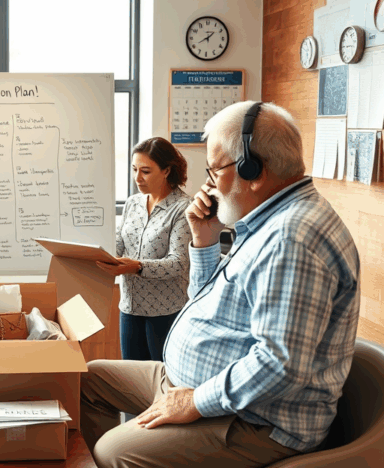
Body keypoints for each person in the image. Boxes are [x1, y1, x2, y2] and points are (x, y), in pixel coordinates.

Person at [80, 101, 360, 468]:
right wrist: (205, 242)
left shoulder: (291, 239)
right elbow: (204, 302)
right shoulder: (263, 222)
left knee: (113, 452)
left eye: (214, 171)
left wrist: (194, 401)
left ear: (252, 170)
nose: (208, 185)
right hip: (190, 385)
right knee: (88, 379)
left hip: (253, 422)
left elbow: (280, 365)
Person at [96, 137, 192, 361]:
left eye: (145, 171)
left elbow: (178, 263)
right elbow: (120, 243)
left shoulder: (183, 208)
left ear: (167, 170)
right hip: (130, 307)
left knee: (161, 381)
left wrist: (137, 267)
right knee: (131, 381)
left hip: (165, 310)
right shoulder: (132, 203)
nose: (137, 178)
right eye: (134, 169)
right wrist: (96, 250)